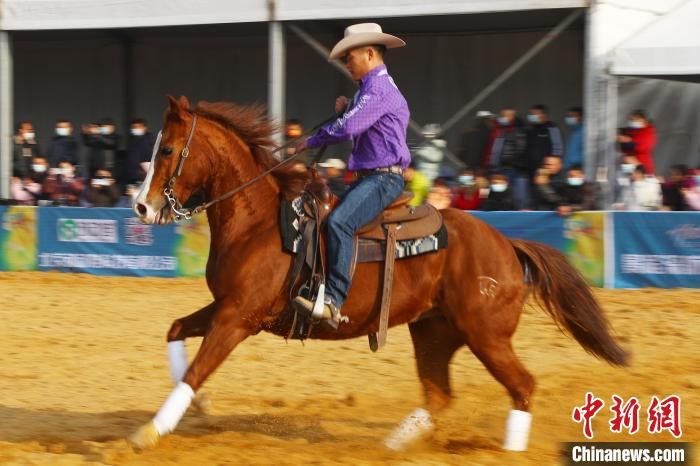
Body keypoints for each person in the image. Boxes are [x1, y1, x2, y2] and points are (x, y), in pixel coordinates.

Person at [291, 23, 409, 328]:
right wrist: (350, 106)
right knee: (320, 211)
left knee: (341, 221)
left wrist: (310, 140)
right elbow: (356, 118)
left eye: (350, 56)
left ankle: (333, 300)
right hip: (370, 177)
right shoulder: (370, 91)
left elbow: (348, 128)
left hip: (383, 179)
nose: (346, 63)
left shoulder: (379, 89)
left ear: (369, 53)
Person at [524, 104, 563, 209]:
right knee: (534, 194)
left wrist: (548, 167)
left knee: (548, 193)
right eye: (531, 114)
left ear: (544, 115)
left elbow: (557, 147)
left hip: (546, 170)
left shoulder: (551, 127)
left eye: (535, 114)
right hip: (532, 168)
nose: (533, 116)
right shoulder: (530, 129)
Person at [485, 107, 528, 182]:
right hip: (494, 167)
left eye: (507, 115)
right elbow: (490, 147)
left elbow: (521, 150)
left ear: (513, 117)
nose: (504, 117)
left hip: (509, 168)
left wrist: (510, 163)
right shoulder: (498, 129)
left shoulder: (518, 131)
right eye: (503, 115)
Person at [618, 110, 656, 175]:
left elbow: (644, 147)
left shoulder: (648, 132)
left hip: (642, 164)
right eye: (631, 120)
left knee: (639, 180)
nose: (633, 122)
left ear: (644, 120)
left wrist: (628, 141)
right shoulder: (630, 130)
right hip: (628, 163)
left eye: (635, 120)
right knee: (625, 180)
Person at [125, 118, 156, 184]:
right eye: (133, 127)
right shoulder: (132, 142)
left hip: (145, 178)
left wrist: (142, 174)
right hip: (132, 178)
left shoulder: (151, 142)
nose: (135, 129)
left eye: (138, 127)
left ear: (145, 128)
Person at [563, 107, 583, 171]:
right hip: (570, 167)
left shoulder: (585, 132)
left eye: (573, 116)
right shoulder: (573, 132)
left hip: (579, 167)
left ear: (581, 117)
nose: (570, 118)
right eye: (568, 116)